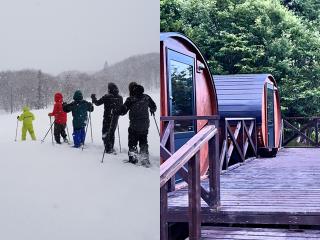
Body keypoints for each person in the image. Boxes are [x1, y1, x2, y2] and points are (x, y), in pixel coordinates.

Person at [116, 84, 157, 166]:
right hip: (145, 125)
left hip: (134, 125)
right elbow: (154, 106)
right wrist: (152, 109)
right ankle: (144, 158)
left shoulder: (130, 99)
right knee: (143, 141)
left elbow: (123, 111)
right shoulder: (146, 97)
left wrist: (117, 111)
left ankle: (133, 158)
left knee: (132, 142)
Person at [91, 83, 123, 154]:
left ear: (109, 89)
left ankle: (108, 148)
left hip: (107, 117)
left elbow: (97, 103)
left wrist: (93, 98)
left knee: (105, 132)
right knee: (111, 133)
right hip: (115, 118)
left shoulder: (107, 96)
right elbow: (121, 108)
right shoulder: (120, 97)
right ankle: (111, 147)